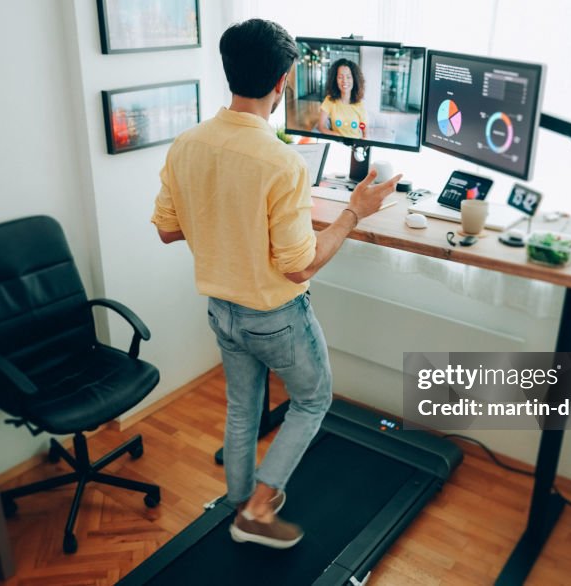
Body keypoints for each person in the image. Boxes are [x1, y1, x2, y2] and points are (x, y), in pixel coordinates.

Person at [151, 19, 400, 550]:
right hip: (275, 318)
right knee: (313, 399)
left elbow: (169, 229)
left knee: (243, 408)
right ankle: (260, 508)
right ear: (284, 80)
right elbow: (299, 267)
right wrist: (354, 212)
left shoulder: (186, 144)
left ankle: (239, 503)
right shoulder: (282, 162)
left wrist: (222, 221)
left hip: (222, 310)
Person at [318, 58, 368, 139]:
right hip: (337, 144)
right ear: (335, 79)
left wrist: (361, 146)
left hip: (354, 146)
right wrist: (336, 135)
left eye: (348, 77)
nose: (344, 81)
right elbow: (320, 126)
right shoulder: (329, 100)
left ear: (354, 80)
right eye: (340, 77)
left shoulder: (360, 104)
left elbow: (365, 134)